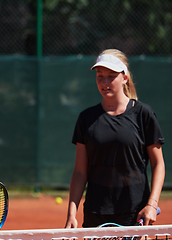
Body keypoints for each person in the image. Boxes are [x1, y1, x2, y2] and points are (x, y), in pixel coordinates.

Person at [65, 49, 165, 228]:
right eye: (100, 76)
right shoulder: (86, 119)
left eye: (111, 76)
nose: (104, 82)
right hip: (95, 212)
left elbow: (158, 164)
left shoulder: (143, 114)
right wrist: (72, 213)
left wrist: (151, 205)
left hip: (134, 212)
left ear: (124, 77)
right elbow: (80, 171)